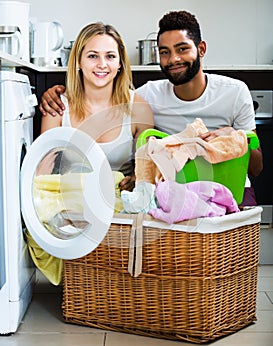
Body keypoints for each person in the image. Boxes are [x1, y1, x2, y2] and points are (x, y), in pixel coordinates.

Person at [39, 11, 263, 203]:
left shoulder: (234, 92)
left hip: (230, 185)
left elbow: (256, 167)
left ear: (201, 49)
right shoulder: (146, 96)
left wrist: (234, 136)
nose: (173, 59)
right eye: (165, 52)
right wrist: (56, 93)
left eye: (182, 49)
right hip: (176, 191)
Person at [40, 22, 154, 191]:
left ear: (120, 63)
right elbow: (41, 175)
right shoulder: (57, 108)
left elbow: (147, 172)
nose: (102, 64)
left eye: (110, 56)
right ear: (79, 61)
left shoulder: (138, 109)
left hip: (121, 207)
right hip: (71, 205)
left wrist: (136, 180)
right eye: (93, 56)